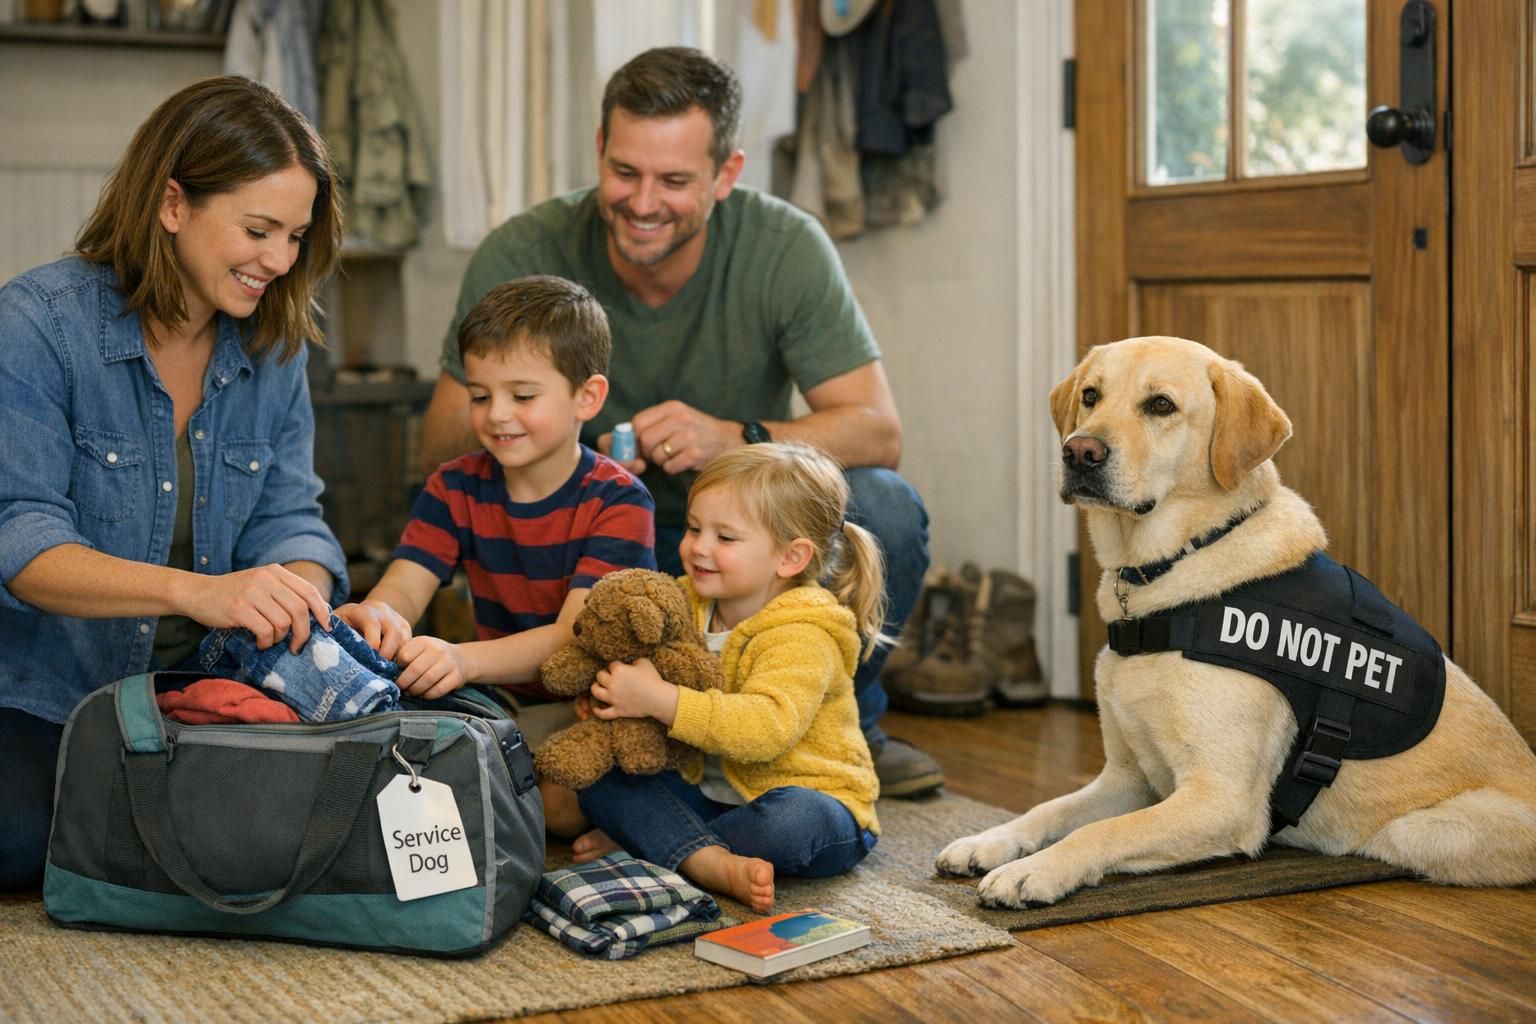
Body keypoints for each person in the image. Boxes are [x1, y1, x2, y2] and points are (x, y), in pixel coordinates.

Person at [418, 46, 943, 799]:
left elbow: (875, 430)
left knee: (884, 503)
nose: (643, 201)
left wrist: (739, 439)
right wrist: (555, 442)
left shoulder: (784, 248)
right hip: (589, 549)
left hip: (731, 544)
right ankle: (644, 743)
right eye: (625, 172)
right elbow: (439, 444)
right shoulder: (524, 249)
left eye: (674, 181)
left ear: (726, 175)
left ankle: (839, 722)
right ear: (599, 150)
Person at [0, 76, 350, 888]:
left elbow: (292, 520)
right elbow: (22, 543)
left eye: (295, 235)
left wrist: (303, 600)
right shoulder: (35, 327)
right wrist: (198, 593)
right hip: (51, 695)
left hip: (207, 691)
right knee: (23, 837)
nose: (280, 260)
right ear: (171, 204)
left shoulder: (276, 347)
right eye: (259, 229)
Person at [335, 275, 657, 820]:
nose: (497, 414)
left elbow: (570, 638)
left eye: (522, 395)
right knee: (412, 771)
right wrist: (374, 618)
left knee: (557, 803)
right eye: (480, 396)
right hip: (501, 698)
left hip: (603, 704)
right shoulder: (453, 486)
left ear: (588, 397)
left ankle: (620, 817)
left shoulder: (620, 500)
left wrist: (460, 659)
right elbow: (403, 589)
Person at [571, 442, 883, 912]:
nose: (699, 546)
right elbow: (630, 660)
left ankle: (668, 846)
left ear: (790, 558)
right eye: (695, 528)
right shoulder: (680, 603)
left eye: (725, 538)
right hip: (707, 796)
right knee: (601, 778)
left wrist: (660, 699)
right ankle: (694, 851)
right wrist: (609, 694)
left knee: (789, 824)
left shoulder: (804, 631)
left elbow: (766, 729)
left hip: (819, 802)